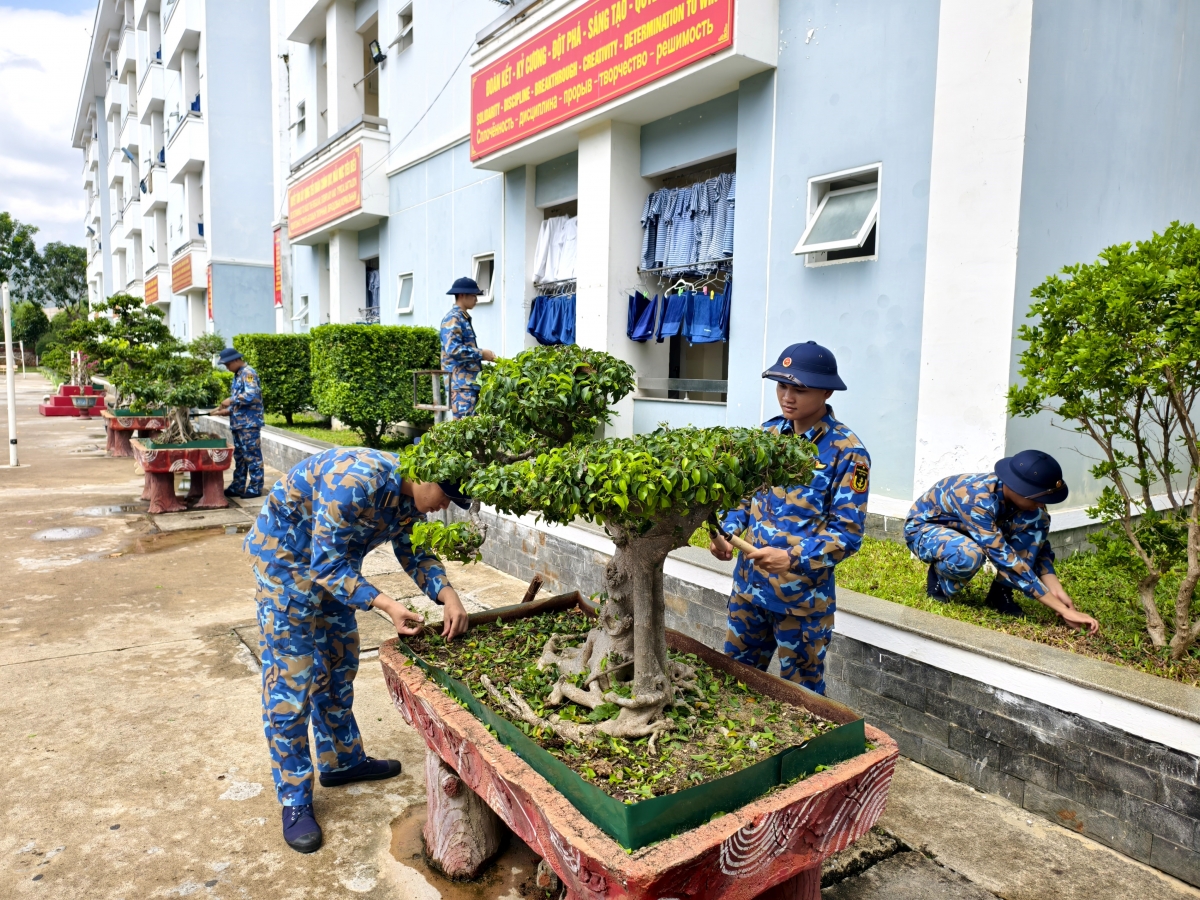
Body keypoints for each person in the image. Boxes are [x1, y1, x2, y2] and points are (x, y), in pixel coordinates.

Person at [243, 447, 472, 854]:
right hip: (284, 567)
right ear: (426, 478)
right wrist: (387, 605)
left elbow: (412, 548)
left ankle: (341, 761)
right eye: (445, 497)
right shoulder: (355, 482)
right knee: (291, 683)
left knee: (338, 661)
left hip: (334, 568)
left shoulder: (408, 497)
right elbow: (324, 566)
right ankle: (295, 800)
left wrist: (447, 594)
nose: (442, 509)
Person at [709, 342, 870, 694]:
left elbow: (847, 533)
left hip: (801, 603)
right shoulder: (766, 436)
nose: (788, 397)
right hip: (749, 592)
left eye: (800, 389)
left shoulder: (848, 452)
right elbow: (742, 496)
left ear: (826, 391)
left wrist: (793, 558)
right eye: (782, 386)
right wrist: (725, 531)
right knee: (732, 683)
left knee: (802, 699)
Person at [905, 450, 1100, 634]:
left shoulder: (1027, 503)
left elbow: (1038, 548)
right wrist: (1062, 610)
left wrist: (1058, 592)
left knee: (1038, 519)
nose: (1041, 504)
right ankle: (939, 579)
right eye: (1038, 498)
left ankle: (1000, 593)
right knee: (968, 554)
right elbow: (1002, 556)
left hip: (972, 530)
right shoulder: (976, 497)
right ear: (1019, 489)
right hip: (927, 529)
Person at [439, 276, 496, 418]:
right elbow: (453, 350)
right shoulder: (454, 318)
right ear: (462, 295)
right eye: (473, 295)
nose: (476, 299)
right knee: (465, 432)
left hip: (467, 385)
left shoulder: (461, 317)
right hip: (460, 386)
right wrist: (482, 353)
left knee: (473, 431)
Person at [214, 347, 264, 499]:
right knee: (240, 457)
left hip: (249, 425)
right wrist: (227, 410)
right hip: (239, 424)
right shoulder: (238, 375)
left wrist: (231, 400)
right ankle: (238, 486)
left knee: (252, 456)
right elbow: (242, 402)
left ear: (236, 360)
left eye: (228, 364)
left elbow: (252, 394)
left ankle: (256, 487)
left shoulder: (248, 373)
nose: (227, 368)